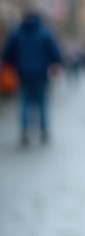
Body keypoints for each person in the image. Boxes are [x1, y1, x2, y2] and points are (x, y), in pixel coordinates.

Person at [1, 9, 63, 145]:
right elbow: (56, 54)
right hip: (41, 74)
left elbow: (6, 55)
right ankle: (44, 130)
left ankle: (24, 130)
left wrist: (14, 63)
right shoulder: (45, 33)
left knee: (24, 102)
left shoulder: (16, 33)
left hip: (22, 73)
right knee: (41, 103)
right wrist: (52, 63)